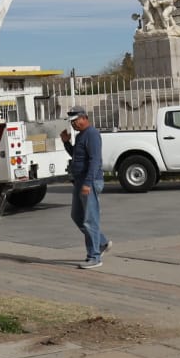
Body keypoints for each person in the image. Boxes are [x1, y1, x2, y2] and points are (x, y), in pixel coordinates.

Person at [60, 107, 109, 269]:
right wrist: (66, 143)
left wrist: (88, 183)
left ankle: (94, 256)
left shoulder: (92, 134)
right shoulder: (81, 136)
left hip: (90, 182)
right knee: (77, 216)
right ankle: (101, 242)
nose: (73, 124)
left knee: (90, 220)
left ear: (84, 118)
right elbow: (76, 155)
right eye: (72, 122)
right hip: (80, 182)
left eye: (75, 121)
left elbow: (95, 160)